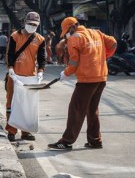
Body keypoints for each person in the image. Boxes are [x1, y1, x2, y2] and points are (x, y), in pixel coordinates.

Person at [48, 17, 117, 150]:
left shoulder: (75, 38)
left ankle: (66, 141)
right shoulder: (96, 32)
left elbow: (73, 63)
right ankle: (95, 140)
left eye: (67, 32)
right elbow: (113, 43)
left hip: (87, 80)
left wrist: (65, 73)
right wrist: (103, 56)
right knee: (92, 110)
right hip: (101, 77)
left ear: (73, 27)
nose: (67, 36)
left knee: (76, 109)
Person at [5, 12, 46, 142]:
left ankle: (25, 132)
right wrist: (11, 68)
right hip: (15, 76)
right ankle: (11, 131)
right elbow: (10, 54)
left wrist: (40, 71)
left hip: (30, 77)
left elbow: (42, 58)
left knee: (28, 105)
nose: (32, 26)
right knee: (12, 103)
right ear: (25, 22)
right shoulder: (15, 36)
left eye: (35, 25)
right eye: (30, 24)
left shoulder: (40, 39)